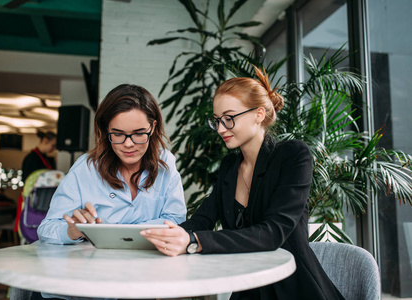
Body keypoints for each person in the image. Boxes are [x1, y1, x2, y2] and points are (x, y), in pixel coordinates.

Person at [141, 66, 345, 300]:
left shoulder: (293, 155)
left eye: (229, 119)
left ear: (259, 114)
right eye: (217, 120)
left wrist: (194, 241)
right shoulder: (230, 166)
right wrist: (163, 235)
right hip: (249, 288)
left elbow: (272, 233)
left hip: (295, 288)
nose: (220, 129)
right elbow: (203, 218)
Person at [37, 84, 186, 245]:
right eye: (118, 134)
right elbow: (46, 229)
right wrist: (72, 231)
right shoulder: (86, 168)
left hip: (152, 264)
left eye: (138, 133)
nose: (128, 144)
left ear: (153, 127)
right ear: (105, 129)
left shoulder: (166, 162)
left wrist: (122, 232)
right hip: (99, 267)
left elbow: (176, 219)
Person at [14, 131, 57, 232]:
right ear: (45, 141)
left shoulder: (47, 158)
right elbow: (27, 181)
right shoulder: (31, 158)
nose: (54, 149)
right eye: (53, 145)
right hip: (31, 198)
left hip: (43, 200)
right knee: (29, 226)